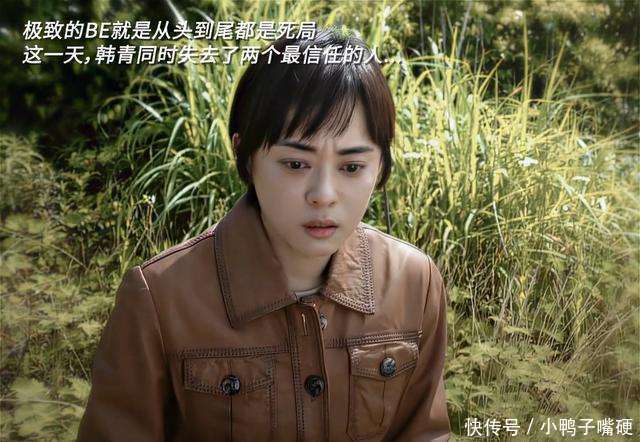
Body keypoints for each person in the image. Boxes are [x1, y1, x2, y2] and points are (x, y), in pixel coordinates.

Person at [77, 26, 451, 441]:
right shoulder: (160, 299)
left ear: (380, 166)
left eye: (351, 167)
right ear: (245, 154)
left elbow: (424, 432)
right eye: (295, 164)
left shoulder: (413, 282)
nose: (324, 195)